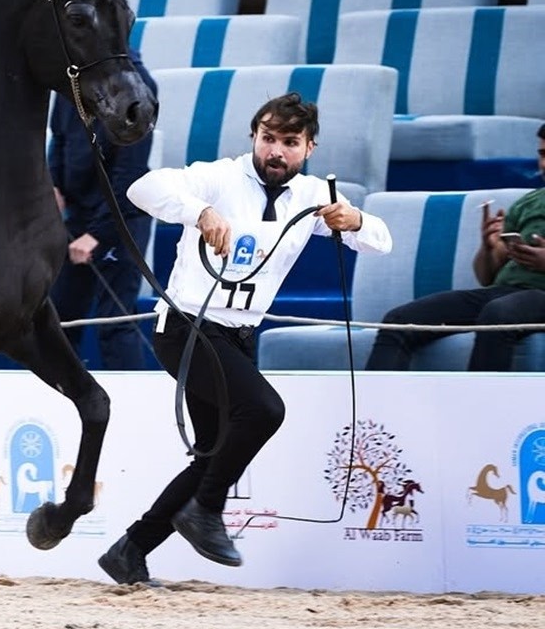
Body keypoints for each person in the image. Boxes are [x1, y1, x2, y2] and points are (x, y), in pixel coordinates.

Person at [96, 92, 393, 585]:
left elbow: (381, 240)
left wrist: (356, 220)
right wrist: (200, 213)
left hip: (239, 334)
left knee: (213, 451)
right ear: (254, 137)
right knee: (263, 411)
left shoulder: (314, 195)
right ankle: (205, 511)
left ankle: (131, 549)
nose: (276, 151)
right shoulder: (219, 177)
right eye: (268, 138)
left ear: (309, 148)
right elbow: (143, 189)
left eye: (289, 142)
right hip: (187, 326)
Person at [366, 124, 545, 372]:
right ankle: (372, 408)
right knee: (399, 322)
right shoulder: (529, 203)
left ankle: (480, 409)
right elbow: (486, 277)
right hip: (505, 292)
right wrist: (489, 246)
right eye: (543, 155)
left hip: (538, 296)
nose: (543, 164)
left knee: (496, 315)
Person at [48, 49, 158, 370]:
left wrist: (96, 235)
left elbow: (129, 175)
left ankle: (133, 407)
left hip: (120, 219)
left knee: (115, 323)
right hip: (76, 217)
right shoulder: (69, 81)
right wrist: (54, 184)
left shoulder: (139, 86)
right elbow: (60, 138)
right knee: (59, 320)